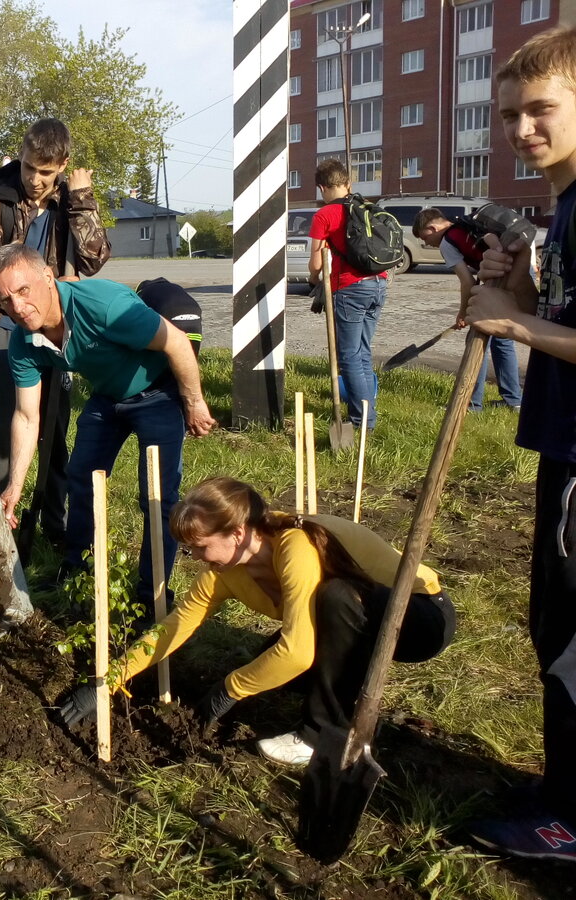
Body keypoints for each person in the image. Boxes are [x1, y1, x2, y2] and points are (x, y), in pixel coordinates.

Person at [60, 477, 455, 767]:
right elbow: (174, 626)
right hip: (360, 627)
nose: (195, 557)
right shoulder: (224, 570)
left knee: (332, 601)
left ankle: (318, 735)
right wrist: (108, 681)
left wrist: (230, 687)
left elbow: (299, 652)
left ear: (236, 533)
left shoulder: (294, 545)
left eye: (199, 547)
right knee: (273, 664)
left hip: (419, 618)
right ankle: (349, 707)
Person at [465, 26, 576, 861]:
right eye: (508, 115)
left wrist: (513, 321)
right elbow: (557, 314)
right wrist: (516, 283)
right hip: (560, 441)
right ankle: (562, 785)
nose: (520, 129)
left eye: (540, 109)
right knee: (553, 620)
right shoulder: (565, 206)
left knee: (575, 631)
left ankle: (569, 824)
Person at [0, 243, 215, 606]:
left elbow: (177, 343)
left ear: (47, 277)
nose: (16, 307)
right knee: (82, 479)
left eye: (23, 290)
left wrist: (194, 402)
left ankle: (152, 595)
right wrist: (14, 486)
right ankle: (77, 576)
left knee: (157, 497)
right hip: (107, 398)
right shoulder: (23, 341)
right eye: (5, 300)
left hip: (159, 393)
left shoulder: (105, 306)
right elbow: (27, 416)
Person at [0, 118, 111, 548]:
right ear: (19, 156)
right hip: (3, 324)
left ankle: (53, 527)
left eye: (45, 172)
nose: (35, 180)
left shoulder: (68, 200)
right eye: (28, 168)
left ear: (62, 165)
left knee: (55, 434)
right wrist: (26, 296)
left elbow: (95, 260)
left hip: (59, 327)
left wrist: (81, 199)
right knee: (0, 439)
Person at [412, 208, 522, 411]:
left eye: (424, 237)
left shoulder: (448, 241)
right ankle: (513, 401)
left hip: (498, 282)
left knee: (476, 340)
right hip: (516, 275)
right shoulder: (467, 226)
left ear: (432, 227)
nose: (426, 243)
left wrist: (463, 313)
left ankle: (471, 403)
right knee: (502, 340)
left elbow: (467, 281)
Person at [308, 158, 388, 429]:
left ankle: (362, 421)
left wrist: (312, 279)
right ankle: (368, 416)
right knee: (362, 353)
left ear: (322, 188)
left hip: (349, 287)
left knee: (350, 356)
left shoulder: (324, 215)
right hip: (379, 282)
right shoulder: (368, 207)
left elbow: (317, 262)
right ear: (348, 183)